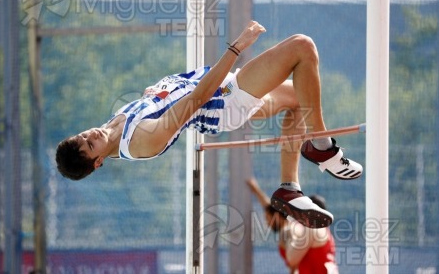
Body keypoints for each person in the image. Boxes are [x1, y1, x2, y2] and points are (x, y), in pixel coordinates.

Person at [55, 21, 362, 228]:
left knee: (301, 99)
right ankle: (322, 146)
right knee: (302, 47)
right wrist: (236, 48)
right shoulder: (140, 141)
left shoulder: (110, 126)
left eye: (84, 135)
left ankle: (289, 188)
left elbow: (162, 102)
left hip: (222, 90)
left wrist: (158, 91)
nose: (92, 134)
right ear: (97, 162)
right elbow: (198, 99)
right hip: (223, 99)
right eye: (91, 144)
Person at [247, 177, 339, 274]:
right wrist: (256, 190)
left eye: (268, 218)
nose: (267, 222)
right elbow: (270, 209)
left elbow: (292, 260)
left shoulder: (299, 229)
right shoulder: (300, 227)